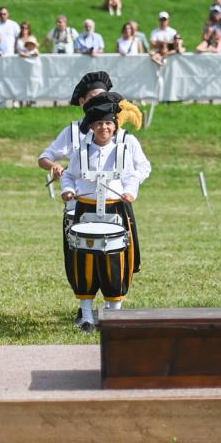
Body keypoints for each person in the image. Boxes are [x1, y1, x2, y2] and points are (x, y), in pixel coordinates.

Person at [60, 93, 149, 328]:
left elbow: (131, 176)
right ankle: (87, 315)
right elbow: (69, 175)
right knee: (85, 260)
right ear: (91, 127)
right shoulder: (81, 152)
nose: (104, 128)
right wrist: (68, 190)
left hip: (115, 209)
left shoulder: (122, 151)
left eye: (108, 123)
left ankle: (113, 314)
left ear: (115, 126)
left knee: (114, 260)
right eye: (99, 124)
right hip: (85, 209)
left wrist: (130, 192)